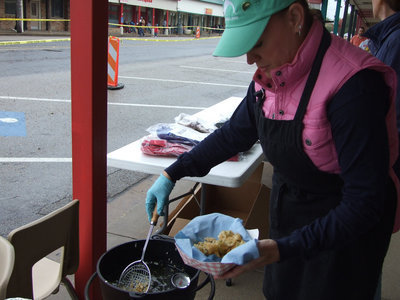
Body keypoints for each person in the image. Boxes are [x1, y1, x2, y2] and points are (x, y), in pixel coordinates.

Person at [145, 0, 400, 299]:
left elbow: (365, 202)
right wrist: (172, 172)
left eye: (258, 42)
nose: (250, 59)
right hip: (289, 215)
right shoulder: (272, 74)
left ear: (294, 17)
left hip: (344, 233)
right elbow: (233, 134)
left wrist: (282, 249)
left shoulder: (354, 86)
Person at [364, 1, 400, 298]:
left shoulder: (396, 40)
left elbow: (389, 116)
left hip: (380, 169)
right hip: (381, 167)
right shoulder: (387, 38)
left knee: (364, 260)